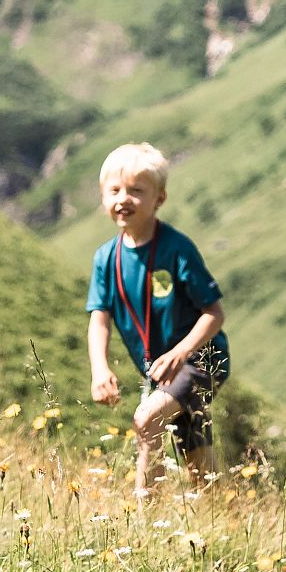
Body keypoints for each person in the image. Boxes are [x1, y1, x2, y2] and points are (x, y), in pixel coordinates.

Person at [85, 143, 232, 494]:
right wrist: (100, 369)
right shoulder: (106, 258)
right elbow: (99, 318)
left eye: (137, 191)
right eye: (115, 190)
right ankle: (224, 517)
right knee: (197, 458)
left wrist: (180, 354)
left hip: (200, 360)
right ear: (103, 197)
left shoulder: (176, 249)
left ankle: (144, 520)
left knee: (147, 420)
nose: (124, 199)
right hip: (159, 370)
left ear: (159, 199)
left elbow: (214, 314)